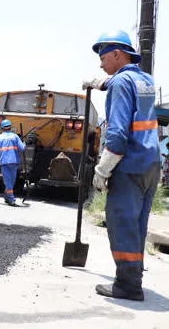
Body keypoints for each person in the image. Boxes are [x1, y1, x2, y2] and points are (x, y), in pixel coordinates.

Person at [83, 30, 160, 301]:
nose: (100, 63)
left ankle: (127, 286)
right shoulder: (145, 80)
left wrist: (102, 170)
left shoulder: (120, 84)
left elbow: (116, 134)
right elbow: (124, 82)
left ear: (117, 54)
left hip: (128, 165)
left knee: (121, 223)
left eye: (103, 57)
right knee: (137, 225)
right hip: (151, 164)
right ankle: (133, 278)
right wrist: (100, 83)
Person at [0, 119, 25, 206]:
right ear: (10, 127)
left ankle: (10, 197)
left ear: (2, 128)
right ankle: (10, 197)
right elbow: (22, 148)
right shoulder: (15, 137)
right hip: (14, 162)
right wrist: (24, 142)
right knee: (11, 181)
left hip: (4, 162)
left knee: (8, 181)